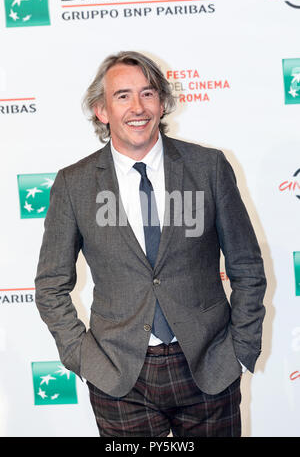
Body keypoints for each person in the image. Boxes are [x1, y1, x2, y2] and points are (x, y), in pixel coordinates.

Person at [35, 51, 266, 437]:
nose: (137, 107)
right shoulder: (74, 184)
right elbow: (50, 285)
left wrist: (240, 350)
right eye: (122, 96)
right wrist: (81, 356)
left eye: (147, 93)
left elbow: (247, 266)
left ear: (162, 102)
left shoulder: (208, 167)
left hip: (209, 366)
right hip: (119, 376)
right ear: (102, 110)